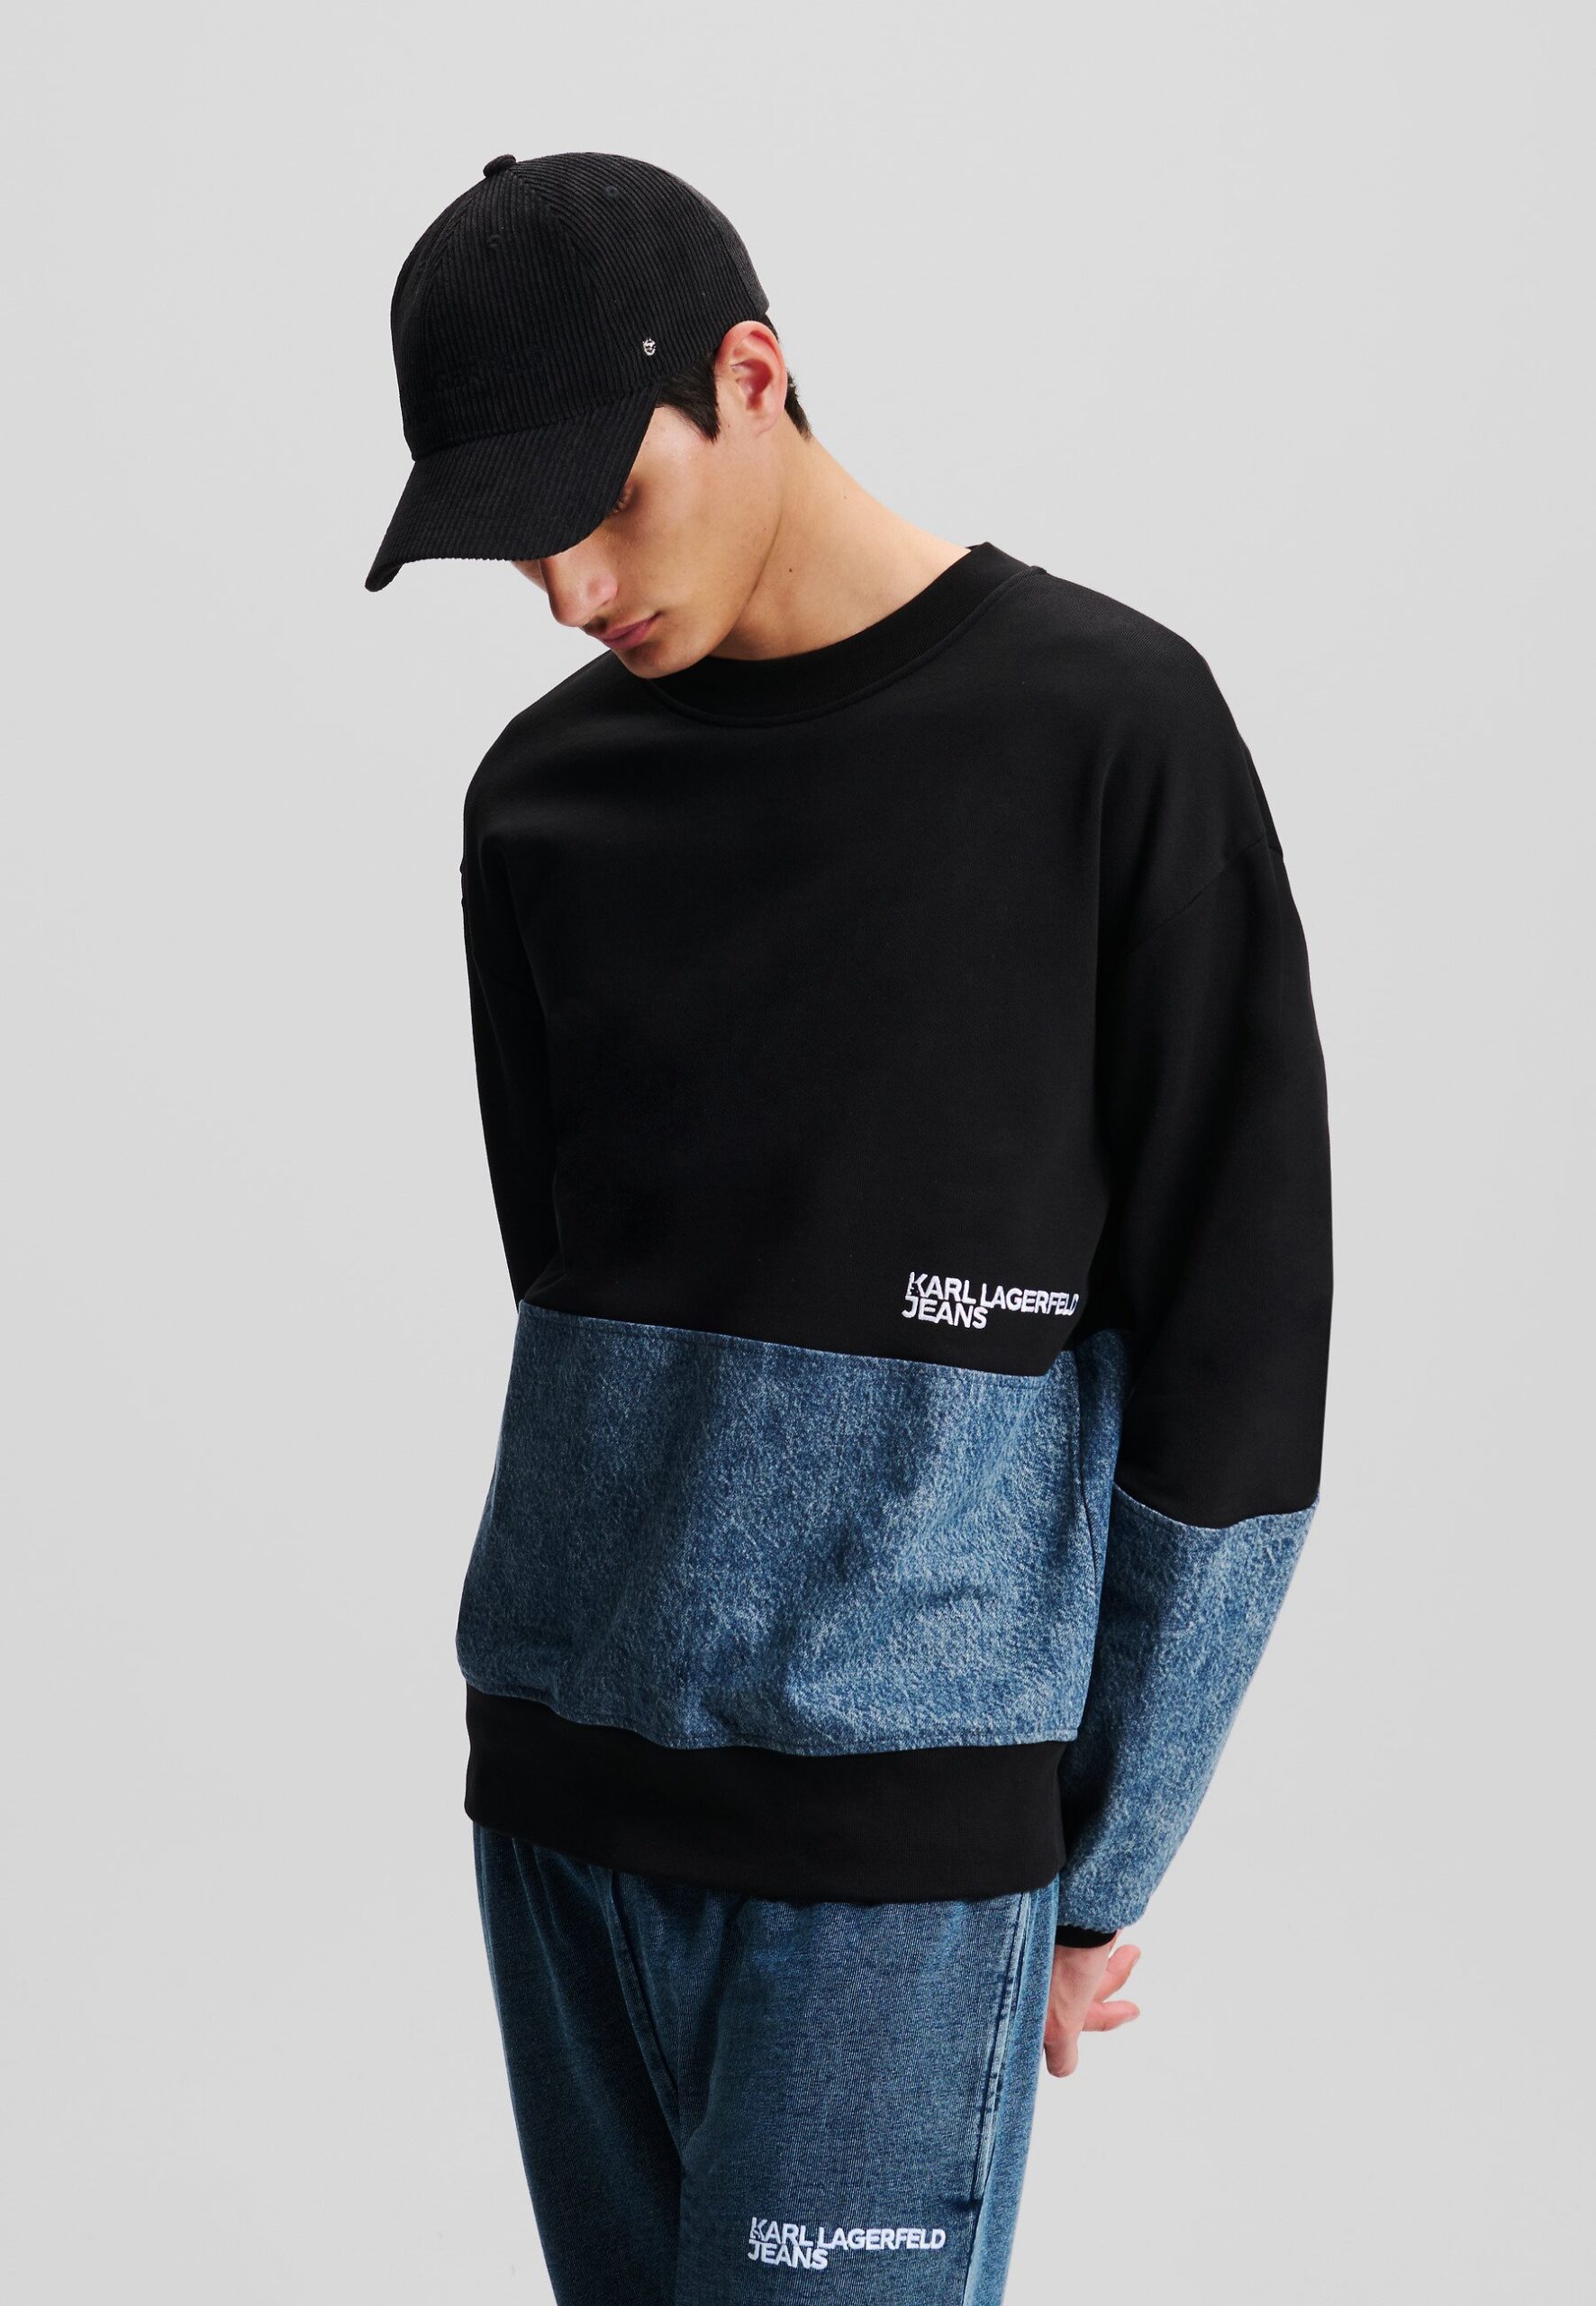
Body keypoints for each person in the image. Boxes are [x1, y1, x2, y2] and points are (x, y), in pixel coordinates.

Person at [366, 148, 1332, 2305]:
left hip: (891, 1855)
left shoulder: (1108, 733)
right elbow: (572, 1281)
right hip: (557, 1813)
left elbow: (1240, 1355)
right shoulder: (538, 803)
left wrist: (1091, 1858)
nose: (563, 585)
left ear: (748, 374)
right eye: (512, 538)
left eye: (600, 502)